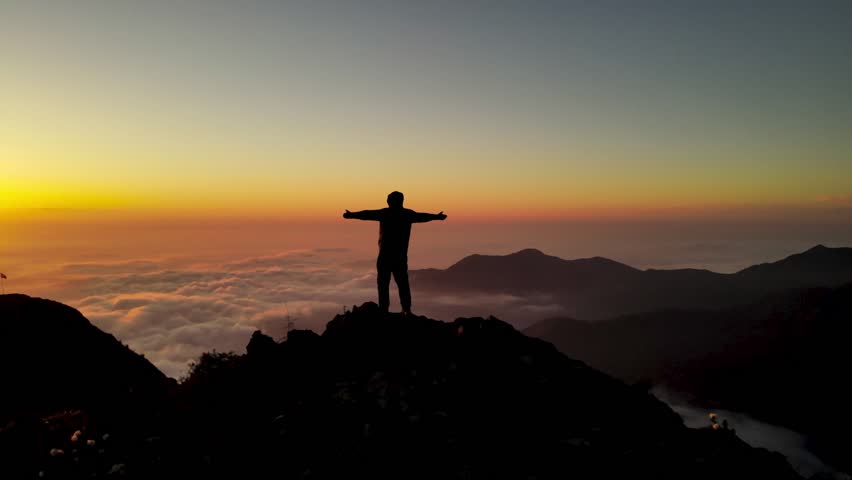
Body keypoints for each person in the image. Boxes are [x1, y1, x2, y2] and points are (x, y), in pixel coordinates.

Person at [343, 191, 446, 314]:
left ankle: (384, 309)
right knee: (403, 283)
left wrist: (351, 215)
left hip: (385, 256)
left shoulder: (385, 213)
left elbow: (367, 214)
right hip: (400, 256)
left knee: (383, 284)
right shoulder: (407, 214)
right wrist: (437, 217)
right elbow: (423, 216)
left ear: (389, 201)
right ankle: (406, 309)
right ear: (402, 201)